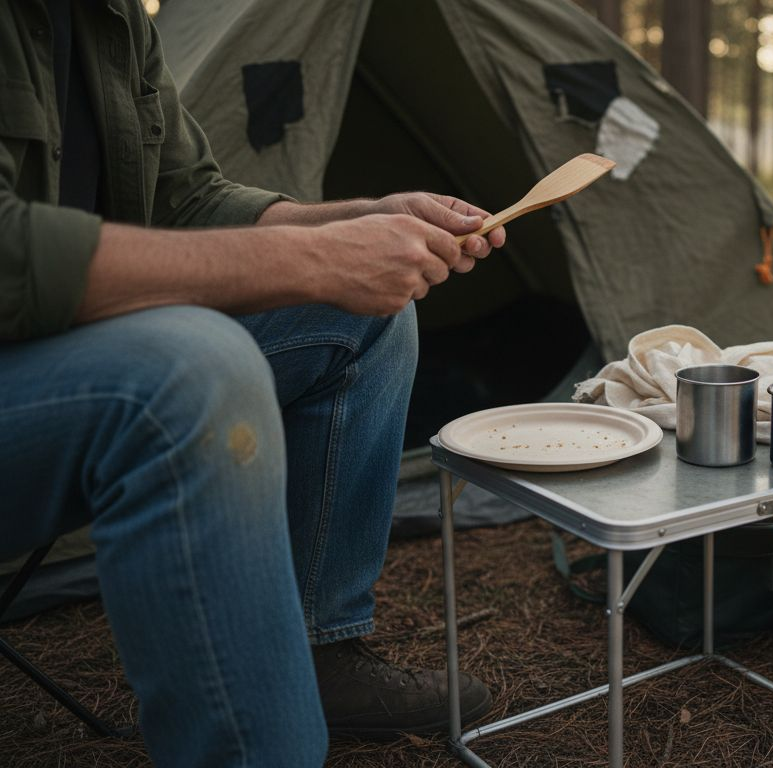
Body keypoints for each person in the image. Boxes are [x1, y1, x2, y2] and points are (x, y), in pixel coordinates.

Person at [0, 0, 502, 764]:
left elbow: (191, 199)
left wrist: (357, 224)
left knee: (362, 316)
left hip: (62, 363)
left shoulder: (110, 20)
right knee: (189, 369)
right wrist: (317, 261)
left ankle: (317, 652)